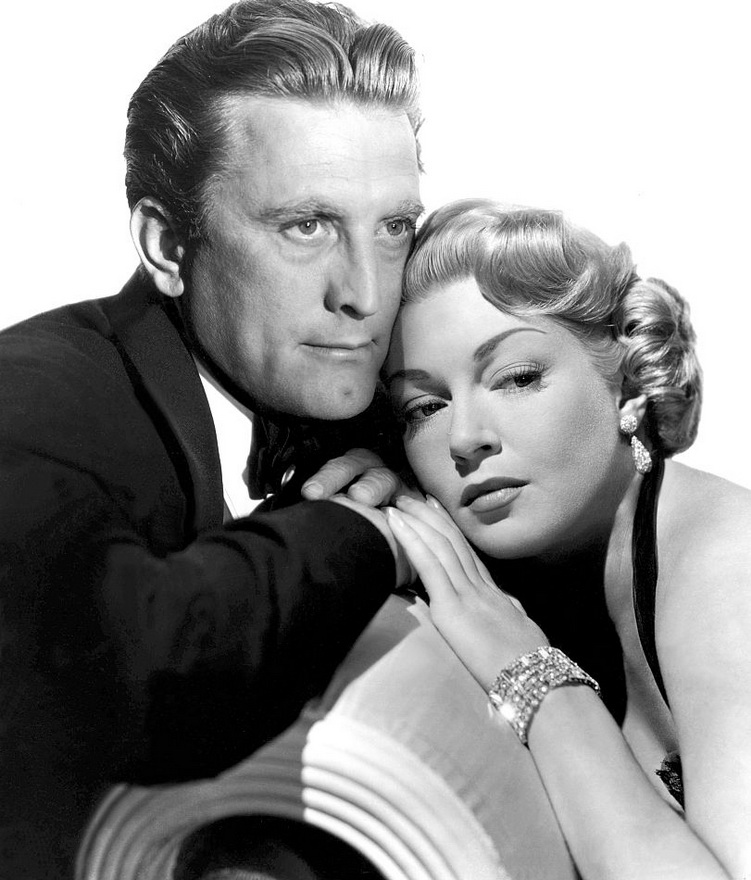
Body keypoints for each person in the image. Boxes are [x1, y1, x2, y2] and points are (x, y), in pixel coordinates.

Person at [0, 1, 422, 875]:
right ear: (166, 245)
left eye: (393, 229)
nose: (364, 294)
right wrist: (358, 533)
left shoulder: (404, 399)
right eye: (306, 226)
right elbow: (133, 674)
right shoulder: (31, 399)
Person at [376, 199, 751, 878]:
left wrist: (530, 671)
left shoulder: (728, 561)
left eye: (517, 378)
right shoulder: (485, 582)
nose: (464, 439)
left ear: (627, 383)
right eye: (424, 407)